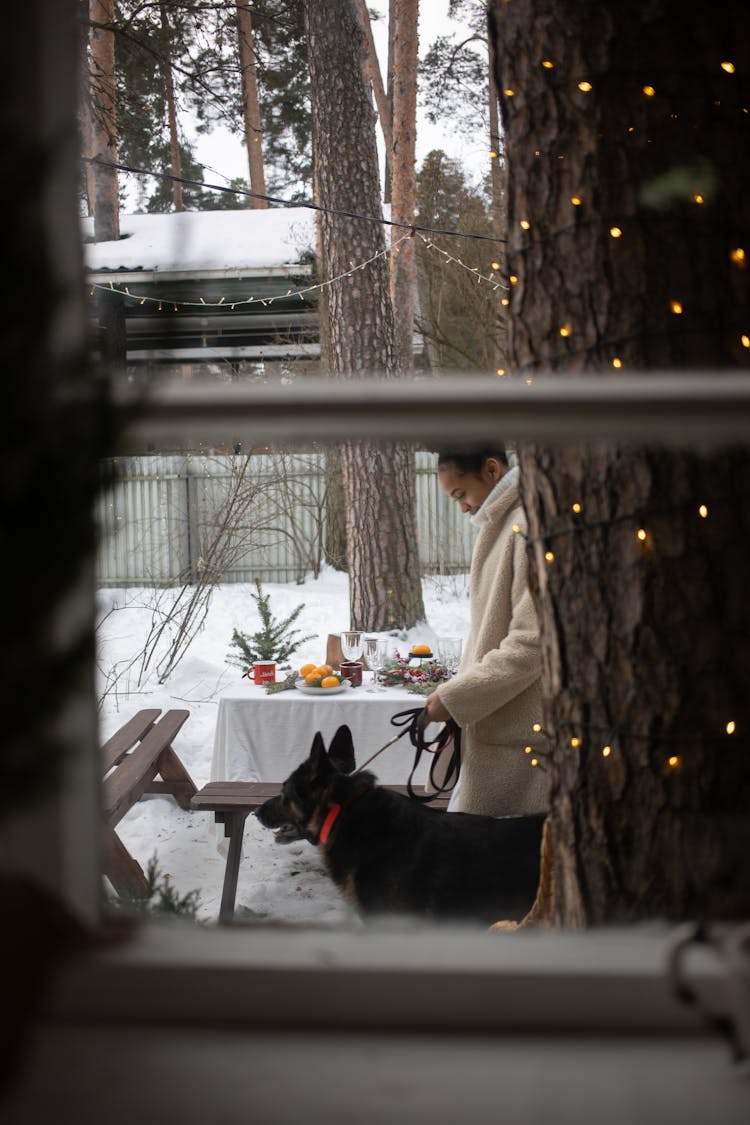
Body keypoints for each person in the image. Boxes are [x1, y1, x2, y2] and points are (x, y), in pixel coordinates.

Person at [423, 446, 548, 818]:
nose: (461, 508)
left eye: (461, 495)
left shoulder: (526, 527)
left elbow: (533, 643)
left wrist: (457, 697)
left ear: (491, 470)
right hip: (498, 733)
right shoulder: (503, 523)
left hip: (517, 747)